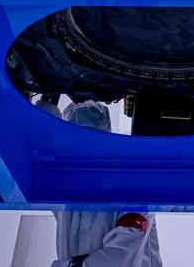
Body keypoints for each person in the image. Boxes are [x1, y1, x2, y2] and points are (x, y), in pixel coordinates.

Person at [38, 99, 163, 267]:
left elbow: (48, 165)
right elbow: (122, 251)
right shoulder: (129, 182)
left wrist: (48, 101)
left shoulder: (71, 187)